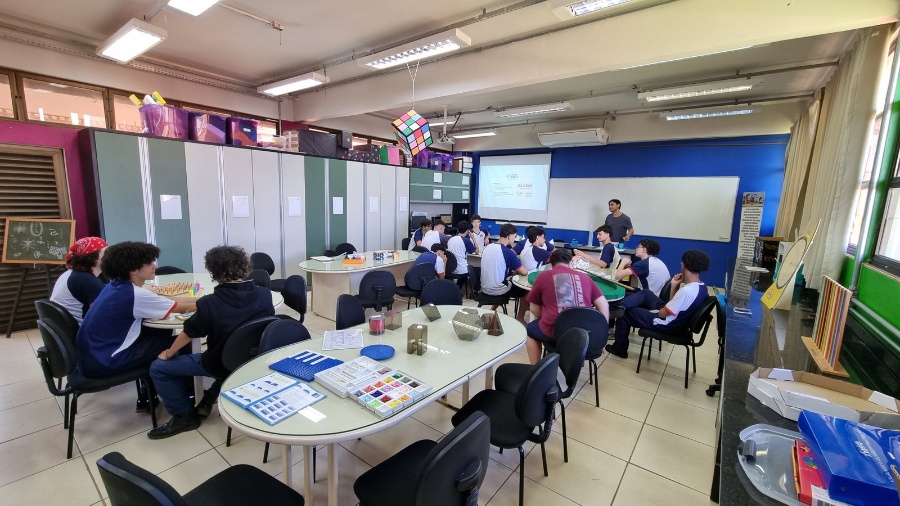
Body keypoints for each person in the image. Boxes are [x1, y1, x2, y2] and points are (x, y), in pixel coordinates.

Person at [147, 245, 275, 439]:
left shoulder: (209, 303)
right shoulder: (265, 295)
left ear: (213, 272)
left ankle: (183, 416)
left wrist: (169, 353)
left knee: (158, 367)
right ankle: (211, 393)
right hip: (254, 358)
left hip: (220, 364)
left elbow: (188, 332)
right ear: (245, 267)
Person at [75, 241, 197, 411]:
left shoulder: (115, 286)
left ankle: (148, 395)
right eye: (149, 263)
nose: (154, 266)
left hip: (92, 356)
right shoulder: (134, 294)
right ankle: (188, 397)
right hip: (106, 361)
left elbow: (171, 302)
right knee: (185, 344)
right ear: (133, 270)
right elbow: (183, 307)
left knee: (160, 334)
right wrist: (212, 301)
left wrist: (206, 298)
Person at [606, 249, 710, 359]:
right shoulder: (701, 287)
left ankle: (619, 349)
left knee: (626, 314)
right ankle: (619, 306)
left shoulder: (686, 292)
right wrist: (674, 286)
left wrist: (651, 311)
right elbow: (675, 305)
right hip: (676, 319)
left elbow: (662, 314)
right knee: (646, 293)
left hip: (667, 324)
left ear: (685, 265)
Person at [525, 248, 609, 364]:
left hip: (555, 333)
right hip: (585, 335)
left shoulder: (543, 277)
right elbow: (604, 304)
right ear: (570, 263)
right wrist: (601, 332)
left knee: (530, 330)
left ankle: (536, 369)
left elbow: (534, 308)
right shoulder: (586, 278)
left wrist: (544, 317)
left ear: (552, 264)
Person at [50, 236, 108, 324]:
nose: (111, 256)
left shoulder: (72, 273)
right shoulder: (85, 279)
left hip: (68, 328)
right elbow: (110, 308)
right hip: (82, 331)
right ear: (93, 257)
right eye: (106, 253)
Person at [481, 223, 529, 321]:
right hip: (498, 290)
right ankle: (520, 318)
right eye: (514, 236)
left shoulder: (487, 247)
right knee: (526, 291)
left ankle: (492, 310)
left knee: (506, 282)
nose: (514, 239)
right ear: (509, 236)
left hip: (484, 288)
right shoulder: (508, 252)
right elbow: (524, 272)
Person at [447, 220, 479, 287]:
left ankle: (458, 287)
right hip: (461, 270)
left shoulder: (450, 239)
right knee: (476, 269)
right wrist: (473, 238)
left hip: (450, 269)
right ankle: (474, 289)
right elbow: (477, 251)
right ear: (467, 231)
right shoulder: (466, 241)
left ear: (458, 229)